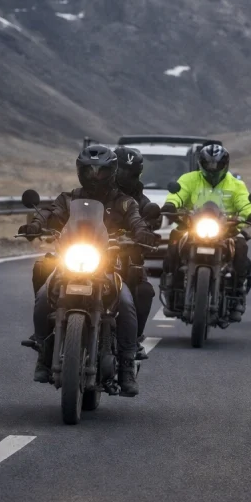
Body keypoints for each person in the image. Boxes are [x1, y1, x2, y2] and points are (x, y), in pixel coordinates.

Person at [23, 145, 159, 396]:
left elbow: (137, 219)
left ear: (111, 171)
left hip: (106, 265)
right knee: (44, 295)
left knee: (127, 301)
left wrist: (141, 233)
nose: (95, 176)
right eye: (89, 170)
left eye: (101, 171)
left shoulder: (125, 202)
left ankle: (127, 366)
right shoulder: (69, 198)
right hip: (72, 261)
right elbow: (50, 212)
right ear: (80, 171)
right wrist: (36, 224)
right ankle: (43, 354)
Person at [159, 143, 251, 322]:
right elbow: (178, 194)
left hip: (225, 231)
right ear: (201, 163)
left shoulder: (235, 184)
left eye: (217, 165)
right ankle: (171, 287)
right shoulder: (189, 179)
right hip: (193, 227)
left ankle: (237, 294)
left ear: (225, 164)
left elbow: (245, 202)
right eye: (209, 164)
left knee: (241, 246)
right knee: (174, 240)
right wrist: (171, 204)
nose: (213, 169)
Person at [113, 146, 158, 361]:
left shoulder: (141, 200)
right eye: (120, 171)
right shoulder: (95, 193)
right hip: (91, 257)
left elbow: (151, 220)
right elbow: (73, 211)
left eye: (130, 173)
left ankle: (132, 345)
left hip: (126, 261)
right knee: (47, 270)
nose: (124, 177)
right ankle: (47, 338)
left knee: (143, 291)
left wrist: (148, 231)